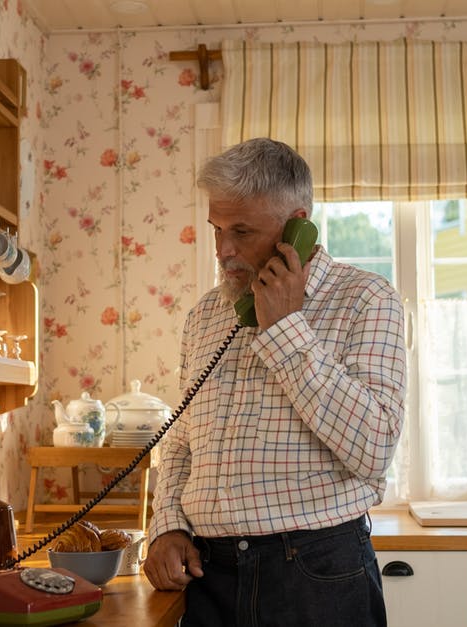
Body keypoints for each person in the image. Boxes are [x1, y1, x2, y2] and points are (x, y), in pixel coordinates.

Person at [143, 138, 406, 626]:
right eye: (217, 229)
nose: (223, 251)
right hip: (209, 576)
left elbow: (374, 446)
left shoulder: (367, 299)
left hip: (314, 575)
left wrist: (285, 328)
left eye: (241, 231)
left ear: (297, 225)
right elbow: (180, 442)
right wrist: (167, 527)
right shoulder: (206, 315)